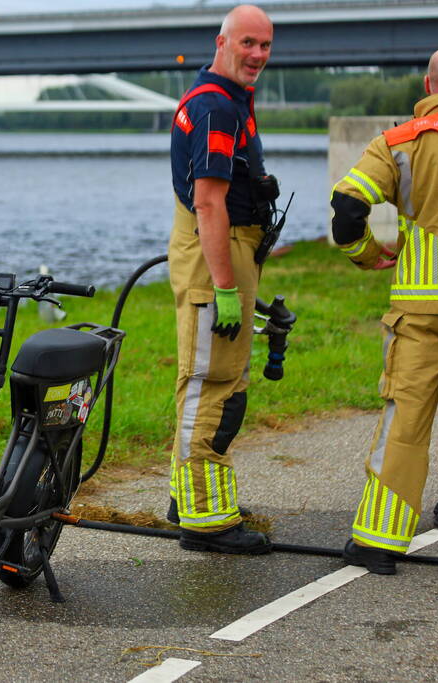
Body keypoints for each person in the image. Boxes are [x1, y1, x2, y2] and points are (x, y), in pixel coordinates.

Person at [334, 46, 438, 574]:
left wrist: (366, 255)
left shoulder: (401, 141)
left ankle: (379, 541)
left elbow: (347, 207)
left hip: (423, 310)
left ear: (428, 84)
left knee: (404, 423)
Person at [166, 4, 276, 554]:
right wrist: (226, 288)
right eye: (248, 43)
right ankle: (204, 520)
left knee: (216, 380)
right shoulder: (217, 107)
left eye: (265, 46)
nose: (257, 55)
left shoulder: (224, 97)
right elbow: (209, 204)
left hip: (222, 248)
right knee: (213, 385)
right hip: (218, 251)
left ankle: (186, 496)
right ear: (222, 42)